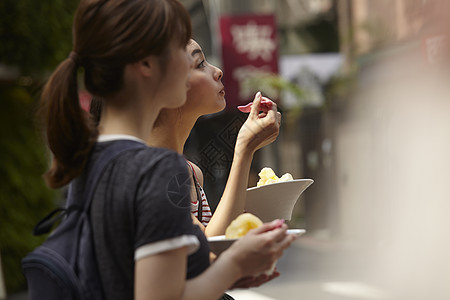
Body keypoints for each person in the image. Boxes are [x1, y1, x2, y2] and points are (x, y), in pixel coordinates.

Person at [40, 1, 295, 300]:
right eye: (193, 60)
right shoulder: (155, 168)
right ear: (146, 65)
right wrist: (236, 265)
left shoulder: (95, 161)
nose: (215, 70)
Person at [149, 39, 282, 237]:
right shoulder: (150, 170)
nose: (218, 71)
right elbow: (208, 249)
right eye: (200, 63)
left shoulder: (193, 172)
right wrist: (244, 149)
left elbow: (211, 246)